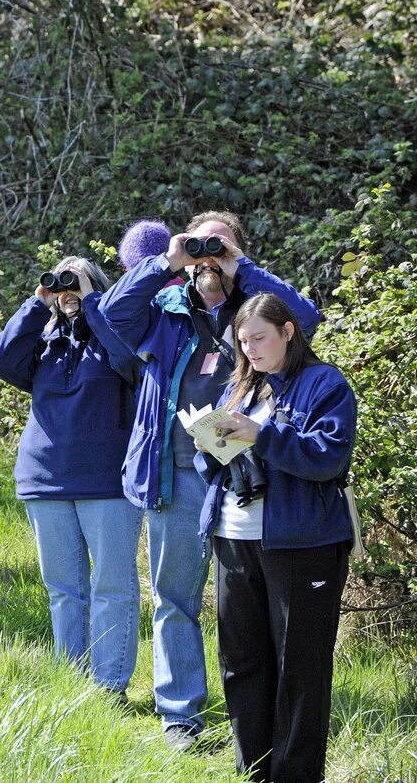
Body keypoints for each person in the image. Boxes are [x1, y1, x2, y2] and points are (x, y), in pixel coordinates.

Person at [98, 210, 321, 750]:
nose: (208, 259)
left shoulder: (258, 310)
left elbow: (306, 320)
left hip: (247, 480)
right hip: (177, 474)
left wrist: (240, 267)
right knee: (174, 598)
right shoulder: (166, 309)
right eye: (201, 250)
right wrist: (164, 262)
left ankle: (258, 714)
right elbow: (110, 316)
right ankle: (180, 715)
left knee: (246, 605)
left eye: (219, 249)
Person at [195, 292, 356, 781]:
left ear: (288, 331)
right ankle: (254, 771)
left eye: (260, 338)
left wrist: (260, 435)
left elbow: (328, 457)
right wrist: (210, 441)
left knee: (300, 670)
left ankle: (297, 775)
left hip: (303, 543)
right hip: (233, 536)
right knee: (242, 661)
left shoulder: (325, 383)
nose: (252, 351)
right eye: (244, 343)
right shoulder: (243, 388)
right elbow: (215, 466)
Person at [0, 257, 142, 698]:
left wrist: (95, 304)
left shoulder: (116, 335)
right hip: (45, 478)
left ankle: (109, 686)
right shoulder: (45, 341)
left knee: (112, 585)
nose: (67, 290)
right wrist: (38, 305)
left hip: (107, 480)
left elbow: (130, 363)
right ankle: (73, 684)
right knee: (63, 589)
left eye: (77, 281)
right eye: (60, 282)